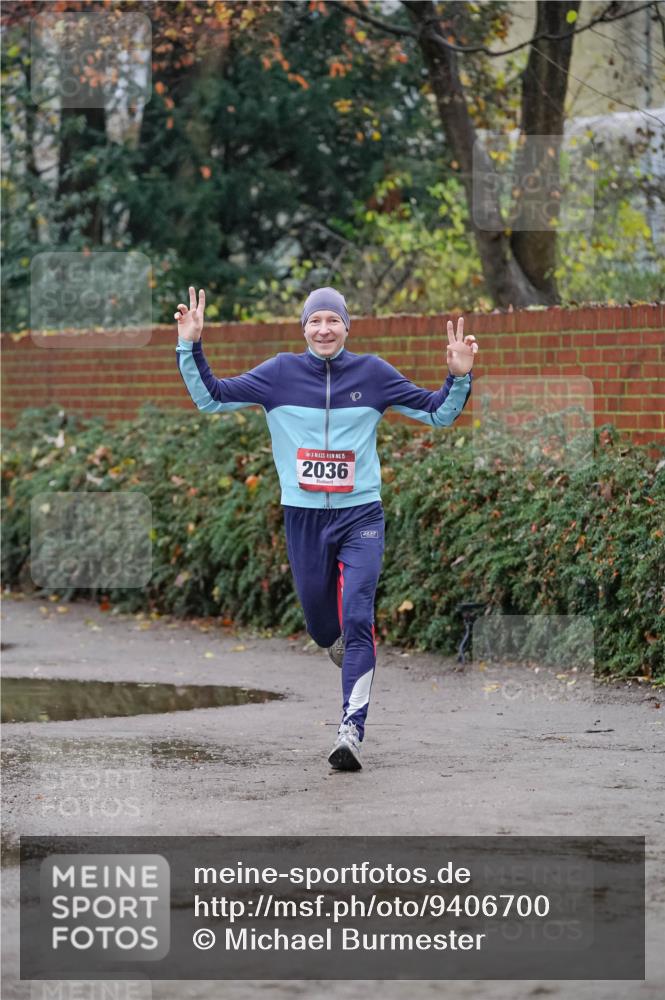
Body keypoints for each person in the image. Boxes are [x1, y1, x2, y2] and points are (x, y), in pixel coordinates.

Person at [175, 286, 478, 772]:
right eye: (315, 321)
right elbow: (211, 398)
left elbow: (439, 413)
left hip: (361, 515)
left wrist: (458, 376)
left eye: (332, 320)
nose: (323, 329)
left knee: (359, 617)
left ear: (346, 326)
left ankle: (350, 731)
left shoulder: (374, 374)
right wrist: (190, 345)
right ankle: (336, 641)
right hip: (304, 519)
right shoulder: (278, 374)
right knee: (323, 628)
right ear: (304, 329)